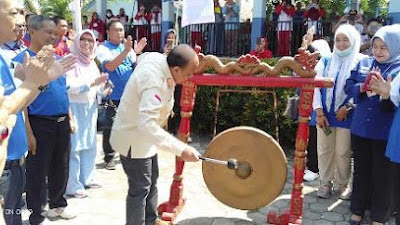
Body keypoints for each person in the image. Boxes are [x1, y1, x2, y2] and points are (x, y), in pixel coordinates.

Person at [0, 2, 76, 224]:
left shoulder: (54, 58)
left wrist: (68, 116)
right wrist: (29, 132)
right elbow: (14, 106)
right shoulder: (20, 60)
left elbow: (58, 93)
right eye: (15, 13)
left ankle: (56, 205)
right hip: (35, 127)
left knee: (58, 168)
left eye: (56, 32)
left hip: (52, 126)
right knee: (35, 177)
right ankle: (36, 214)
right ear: (33, 33)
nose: (21, 20)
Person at [110, 44, 200, 225]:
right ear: (175, 69)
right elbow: (147, 126)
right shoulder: (153, 82)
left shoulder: (160, 60)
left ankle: (151, 220)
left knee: (152, 180)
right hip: (133, 139)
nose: (190, 77)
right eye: (188, 73)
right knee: (140, 189)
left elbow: (141, 58)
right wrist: (181, 149)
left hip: (145, 138)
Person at [344, 24, 400, 225]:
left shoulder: (398, 68)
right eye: (375, 46)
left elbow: (394, 103)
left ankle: (378, 216)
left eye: (383, 47)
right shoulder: (364, 63)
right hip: (360, 128)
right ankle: (357, 209)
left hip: (384, 132)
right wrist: (362, 87)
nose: (378, 51)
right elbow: (348, 86)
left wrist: (386, 93)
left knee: (382, 175)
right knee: (361, 170)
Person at [313, 24, 366, 200]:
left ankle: (343, 184)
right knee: (324, 149)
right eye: (338, 39)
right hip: (325, 114)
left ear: (354, 41)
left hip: (348, 115)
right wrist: (319, 112)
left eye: (346, 40)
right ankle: (325, 182)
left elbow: (362, 89)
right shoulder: (326, 60)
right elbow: (315, 87)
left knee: (343, 151)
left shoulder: (361, 61)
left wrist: (347, 107)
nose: (341, 44)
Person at [65, 30, 111, 198]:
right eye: (83, 40)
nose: (86, 43)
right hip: (74, 108)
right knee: (74, 148)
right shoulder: (70, 61)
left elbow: (97, 88)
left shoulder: (92, 63)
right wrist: (93, 83)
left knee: (89, 144)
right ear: (77, 42)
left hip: (89, 109)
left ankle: (88, 177)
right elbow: (68, 86)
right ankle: (73, 184)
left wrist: (104, 88)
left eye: (90, 40)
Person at [96, 20, 147, 170]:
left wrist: (136, 54)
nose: (120, 33)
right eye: (116, 30)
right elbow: (110, 66)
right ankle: (109, 157)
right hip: (112, 95)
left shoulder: (128, 49)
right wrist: (126, 50)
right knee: (111, 126)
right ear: (108, 32)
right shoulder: (103, 48)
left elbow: (133, 67)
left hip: (129, 95)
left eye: (121, 30)